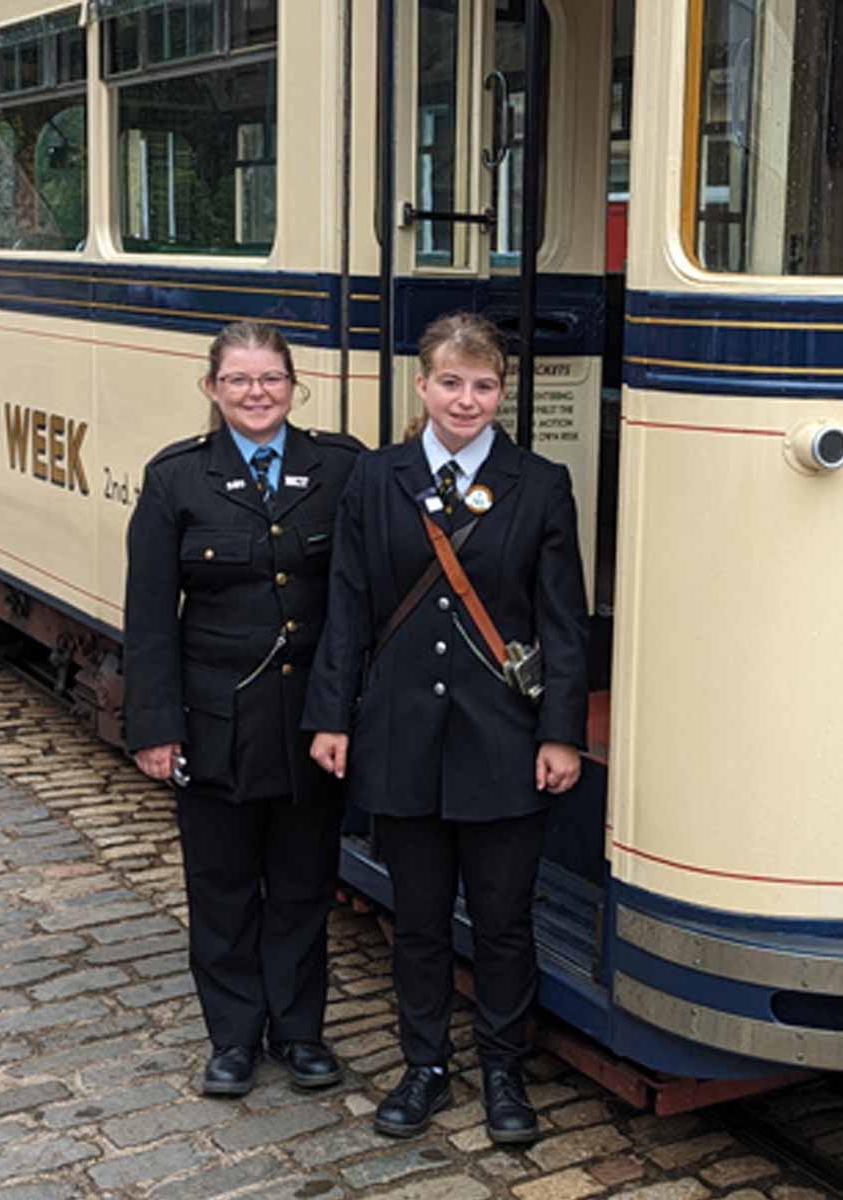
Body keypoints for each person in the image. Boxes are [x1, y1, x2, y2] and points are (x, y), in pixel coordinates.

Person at [304, 312, 589, 1145]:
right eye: (451, 382)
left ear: (501, 392)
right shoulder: (376, 478)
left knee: (502, 920)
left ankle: (505, 1070)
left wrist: (561, 733)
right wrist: (331, 715)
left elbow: (561, 622)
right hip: (399, 735)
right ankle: (424, 1064)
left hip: (503, 737)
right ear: (422, 386)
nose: (467, 400)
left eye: (484, 385)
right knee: (419, 919)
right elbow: (347, 605)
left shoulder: (539, 483)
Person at [123, 321, 361, 1097]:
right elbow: (151, 617)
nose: (256, 394)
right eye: (239, 381)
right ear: (211, 388)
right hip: (215, 722)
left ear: (295, 385)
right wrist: (155, 726)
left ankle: (298, 1032)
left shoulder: (339, 468)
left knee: (301, 884)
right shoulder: (176, 480)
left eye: (270, 379)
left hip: (307, 725)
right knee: (221, 887)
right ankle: (231, 1036)